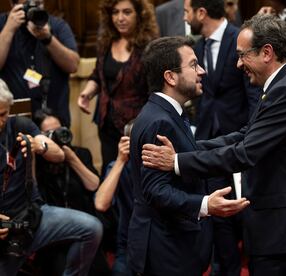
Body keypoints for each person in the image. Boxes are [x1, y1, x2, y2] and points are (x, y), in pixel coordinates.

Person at [142, 15, 286, 275]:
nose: (238, 63)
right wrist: (190, 147)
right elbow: (245, 135)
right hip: (284, 229)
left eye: (243, 55)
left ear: (267, 52)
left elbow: (244, 152)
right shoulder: (285, 83)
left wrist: (177, 162)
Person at [128, 36, 249, 276]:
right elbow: (156, 191)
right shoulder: (160, 121)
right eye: (194, 65)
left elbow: (192, 149)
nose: (202, 71)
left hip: (172, 247)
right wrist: (206, 205)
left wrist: (247, 134)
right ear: (170, 77)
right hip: (166, 252)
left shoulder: (164, 113)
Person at [183, 0, 260, 274]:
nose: (185, 16)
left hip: (242, 141)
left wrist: (252, 134)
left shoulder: (238, 38)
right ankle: (226, 268)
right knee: (218, 214)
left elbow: (253, 94)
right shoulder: (198, 47)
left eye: (187, 10)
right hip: (209, 141)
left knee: (248, 209)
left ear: (201, 13)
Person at [0, 79, 103, 276]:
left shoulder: (20, 125)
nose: (0, 122)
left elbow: (59, 155)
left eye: (3, 114)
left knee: (92, 228)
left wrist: (42, 146)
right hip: (4, 231)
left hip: (33, 215)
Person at [77, 0, 158, 172]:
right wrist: (87, 93)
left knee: (135, 174)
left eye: (127, 12)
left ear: (140, 15)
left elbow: (155, 89)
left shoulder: (149, 47)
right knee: (109, 171)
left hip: (136, 125)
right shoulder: (106, 42)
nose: (120, 18)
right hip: (106, 123)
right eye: (115, 12)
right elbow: (98, 75)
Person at [0, 0, 79, 127]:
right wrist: (9, 29)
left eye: (38, 4)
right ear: (12, 5)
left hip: (54, 119)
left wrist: (48, 38)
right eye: (28, 5)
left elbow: (73, 65)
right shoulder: (3, 24)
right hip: (12, 120)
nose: (34, 9)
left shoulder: (57, 25)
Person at [95, 121, 134, 276]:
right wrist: (120, 160)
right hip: (128, 245)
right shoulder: (119, 166)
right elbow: (100, 203)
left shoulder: (164, 163)